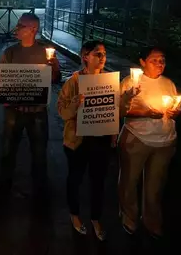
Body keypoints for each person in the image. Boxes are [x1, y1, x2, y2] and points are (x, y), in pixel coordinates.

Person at [0, 13, 61, 200]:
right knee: (8, 150)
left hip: (37, 112)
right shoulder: (10, 52)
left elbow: (56, 80)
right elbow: (1, 80)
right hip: (13, 111)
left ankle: (40, 189)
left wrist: (54, 67)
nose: (16, 29)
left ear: (33, 29)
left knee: (39, 153)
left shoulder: (46, 52)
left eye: (21, 26)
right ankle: (4, 186)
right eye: (17, 25)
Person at [118, 46, 180, 238]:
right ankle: (129, 216)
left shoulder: (168, 83)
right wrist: (145, 113)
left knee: (156, 184)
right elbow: (119, 110)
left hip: (165, 140)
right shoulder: (130, 83)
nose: (160, 64)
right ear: (142, 62)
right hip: (137, 138)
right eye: (154, 60)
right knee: (129, 180)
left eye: (162, 60)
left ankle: (152, 219)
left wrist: (175, 111)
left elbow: (173, 106)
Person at [57, 41, 117, 240]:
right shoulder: (74, 82)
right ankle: (74, 214)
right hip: (77, 140)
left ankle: (95, 218)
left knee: (98, 182)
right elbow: (62, 112)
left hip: (100, 140)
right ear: (85, 57)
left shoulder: (108, 82)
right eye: (97, 54)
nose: (102, 58)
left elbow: (114, 110)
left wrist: (113, 133)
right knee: (75, 179)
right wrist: (75, 105)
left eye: (104, 54)